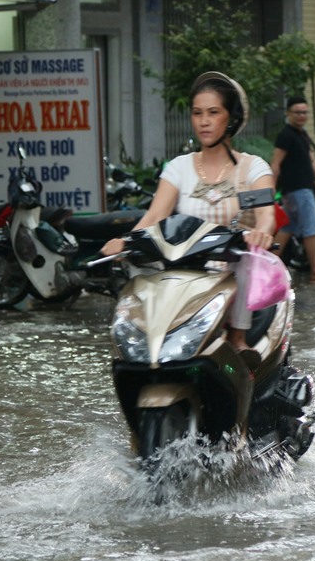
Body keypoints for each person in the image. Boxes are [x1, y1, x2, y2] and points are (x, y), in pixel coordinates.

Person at [100, 71, 276, 356]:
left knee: (248, 257)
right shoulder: (179, 168)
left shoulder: (250, 168)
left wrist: (262, 232)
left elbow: (266, 214)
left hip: (230, 265)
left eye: (213, 112)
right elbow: (155, 216)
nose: (204, 121)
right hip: (183, 267)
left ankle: (238, 337)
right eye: (197, 113)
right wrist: (126, 241)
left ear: (231, 118)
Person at [270, 96, 315, 283]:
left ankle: (265, 267)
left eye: (304, 112)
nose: (301, 116)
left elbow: (312, 162)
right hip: (297, 190)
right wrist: (269, 191)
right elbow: (276, 163)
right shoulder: (286, 135)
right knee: (310, 230)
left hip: (303, 189)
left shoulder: (302, 135)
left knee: (286, 228)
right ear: (288, 113)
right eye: (297, 112)